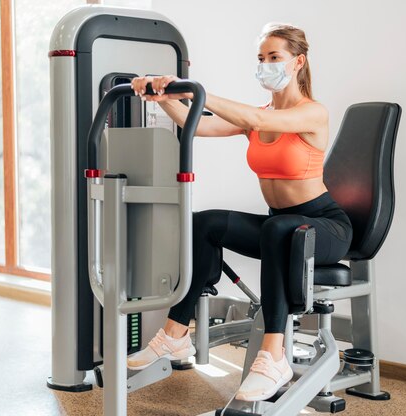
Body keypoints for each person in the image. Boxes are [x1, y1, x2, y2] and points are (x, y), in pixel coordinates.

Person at [127, 22, 353, 402]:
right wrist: (160, 94)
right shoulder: (259, 115)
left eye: (274, 57)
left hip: (324, 226)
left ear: (298, 62)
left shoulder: (312, 113)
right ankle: (175, 334)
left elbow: (258, 121)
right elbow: (192, 122)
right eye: (261, 58)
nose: (265, 65)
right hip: (280, 226)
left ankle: (274, 356)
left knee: (280, 229)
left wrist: (193, 88)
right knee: (207, 223)